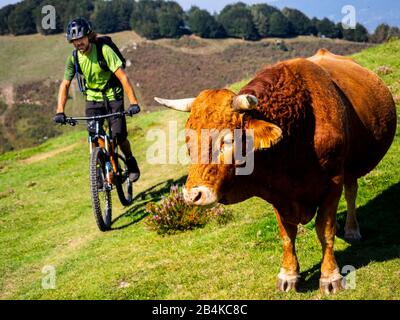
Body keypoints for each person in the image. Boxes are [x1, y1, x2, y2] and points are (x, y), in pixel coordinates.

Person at [54, 17, 140, 182]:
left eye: (81, 38)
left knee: (119, 135)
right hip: (93, 99)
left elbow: (123, 78)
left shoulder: (104, 50)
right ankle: (99, 170)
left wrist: (134, 103)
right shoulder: (74, 58)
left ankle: (130, 161)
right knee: (94, 136)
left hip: (112, 95)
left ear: (88, 35)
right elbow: (64, 85)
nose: (78, 43)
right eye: (74, 41)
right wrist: (60, 111)